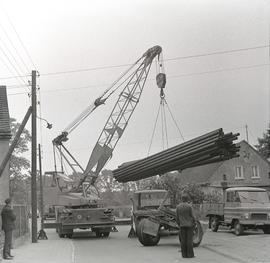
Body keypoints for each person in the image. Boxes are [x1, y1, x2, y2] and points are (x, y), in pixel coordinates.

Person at [176, 193, 196, 258]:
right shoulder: (189, 206)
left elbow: (177, 218)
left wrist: (179, 224)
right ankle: (190, 255)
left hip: (182, 226)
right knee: (189, 240)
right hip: (189, 226)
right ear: (187, 199)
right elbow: (193, 216)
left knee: (183, 241)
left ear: (181, 199)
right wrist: (194, 223)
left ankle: (184, 255)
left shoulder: (178, 207)